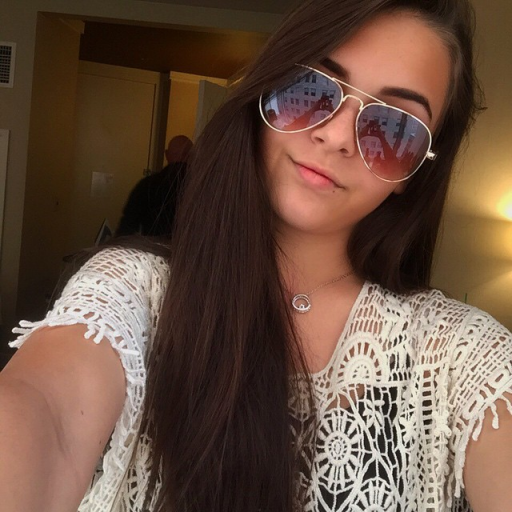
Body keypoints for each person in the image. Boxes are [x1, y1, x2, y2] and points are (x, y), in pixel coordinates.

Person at [1, 0, 511, 511]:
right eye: (312, 86)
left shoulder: (459, 356)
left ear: (415, 172)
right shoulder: (133, 288)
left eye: (395, 127)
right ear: (268, 85)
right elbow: (49, 416)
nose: (336, 135)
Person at [116, 135, 193, 236]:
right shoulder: (201, 187)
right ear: (192, 155)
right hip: (190, 245)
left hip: (152, 244)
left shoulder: (146, 185)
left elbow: (127, 227)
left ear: (167, 155)